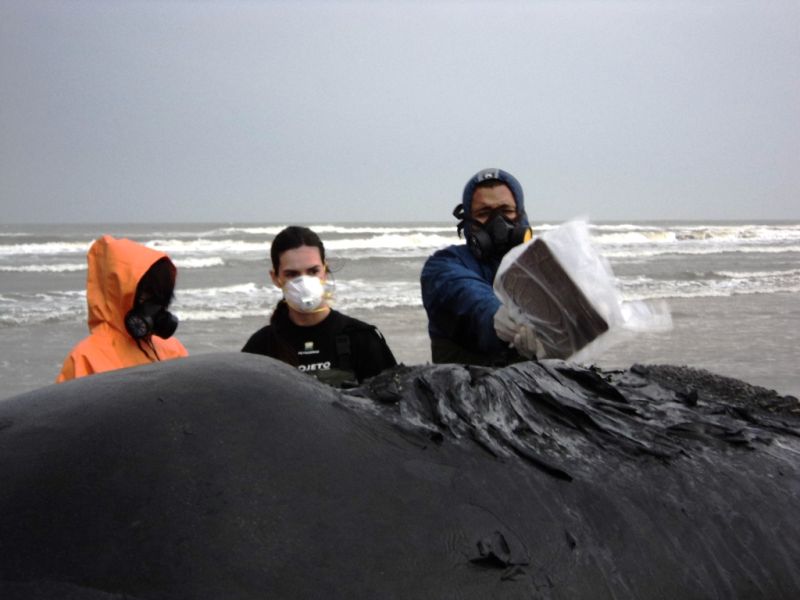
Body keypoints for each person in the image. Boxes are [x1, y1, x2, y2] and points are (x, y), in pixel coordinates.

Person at [242, 226, 397, 387]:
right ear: (275, 278)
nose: (304, 282)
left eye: (313, 271)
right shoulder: (261, 347)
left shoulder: (361, 338)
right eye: (292, 274)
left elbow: (391, 405)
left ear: (324, 270)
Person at [420, 168, 543, 366]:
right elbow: (468, 297)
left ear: (521, 215)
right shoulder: (443, 265)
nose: (498, 222)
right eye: (484, 213)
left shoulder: (540, 267)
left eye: (507, 211)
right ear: (467, 220)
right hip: (468, 390)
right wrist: (502, 322)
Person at [56, 235, 188, 382]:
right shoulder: (85, 358)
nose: (154, 305)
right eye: (147, 292)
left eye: (159, 295)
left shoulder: (172, 349)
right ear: (120, 292)